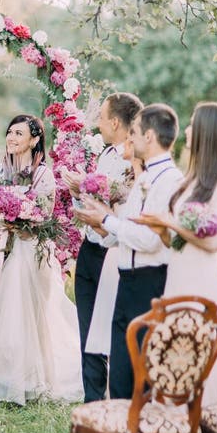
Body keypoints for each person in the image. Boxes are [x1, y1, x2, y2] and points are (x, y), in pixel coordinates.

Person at [132, 102, 217, 433]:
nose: (188, 131)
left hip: (201, 283)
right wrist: (159, 227)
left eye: (194, 126)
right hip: (178, 276)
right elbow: (178, 238)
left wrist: (170, 222)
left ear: (209, 132)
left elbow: (213, 242)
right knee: (170, 362)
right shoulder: (192, 179)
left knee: (196, 365)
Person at [0, 115, 84, 405]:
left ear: (34, 139)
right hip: (1, 250)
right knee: (0, 312)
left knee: (28, 314)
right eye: (9, 132)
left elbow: (45, 216)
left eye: (19, 133)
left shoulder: (44, 176)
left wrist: (23, 219)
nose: (12, 137)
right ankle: (2, 377)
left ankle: (32, 379)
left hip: (29, 252)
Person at [78, 104, 182, 400]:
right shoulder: (145, 178)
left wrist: (107, 220)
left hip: (149, 282)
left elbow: (151, 240)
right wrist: (103, 228)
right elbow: (127, 229)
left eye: (134, 133)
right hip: (127, 278)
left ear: (149, 136)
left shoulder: (169, 181)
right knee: (122, 367)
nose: (130, 140)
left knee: (140, 367)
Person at [62, 92, 142, 401]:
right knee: (88, 328)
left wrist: (86, 188)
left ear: (115, 122)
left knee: (115, 329)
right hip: (90, 249)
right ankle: (92, 401)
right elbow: (92, 203)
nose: (97, 123)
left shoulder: (134, 160)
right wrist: (77, 189)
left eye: (101, 117)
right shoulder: (106, 154)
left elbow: (123, 211)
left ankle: (119, 398)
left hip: (115, 252)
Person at [83, 132, 145, 369]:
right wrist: (98, 223)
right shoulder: (129, 179)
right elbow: (114, 236)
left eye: (132, 138)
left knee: (123, 344)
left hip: (133, 265)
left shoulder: (146, 184)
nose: (126, 144)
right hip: (114, 256)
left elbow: (135, 233)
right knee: (109, 339)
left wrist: (104, 219)